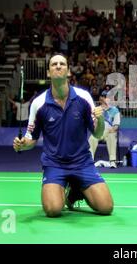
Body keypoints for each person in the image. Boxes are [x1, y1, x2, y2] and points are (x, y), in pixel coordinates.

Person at [13, 54, 114, 217]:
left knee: (106, 208)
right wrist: (23, 143)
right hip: (54, 163)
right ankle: (65, 188)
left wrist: (101, 120)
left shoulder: (83, 98)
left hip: (82, 162)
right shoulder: (39, 103)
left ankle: (76, 189)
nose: (58, 66)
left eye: (62, 64)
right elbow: (31, 138)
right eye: (54, 64)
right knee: (53, 210)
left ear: (68, 71)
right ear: (48, 72)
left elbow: (97, 133)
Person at [89, 90, 121, 169]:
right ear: (101, 98)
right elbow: (93, 125)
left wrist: (111, 130)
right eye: (106, 97)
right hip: (99, 130)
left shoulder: (115, 110)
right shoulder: (96, 110)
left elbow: (116, 125)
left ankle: (112, 161)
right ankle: (90, 161)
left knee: (112, 136)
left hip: (110, 131)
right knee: (92, 138)